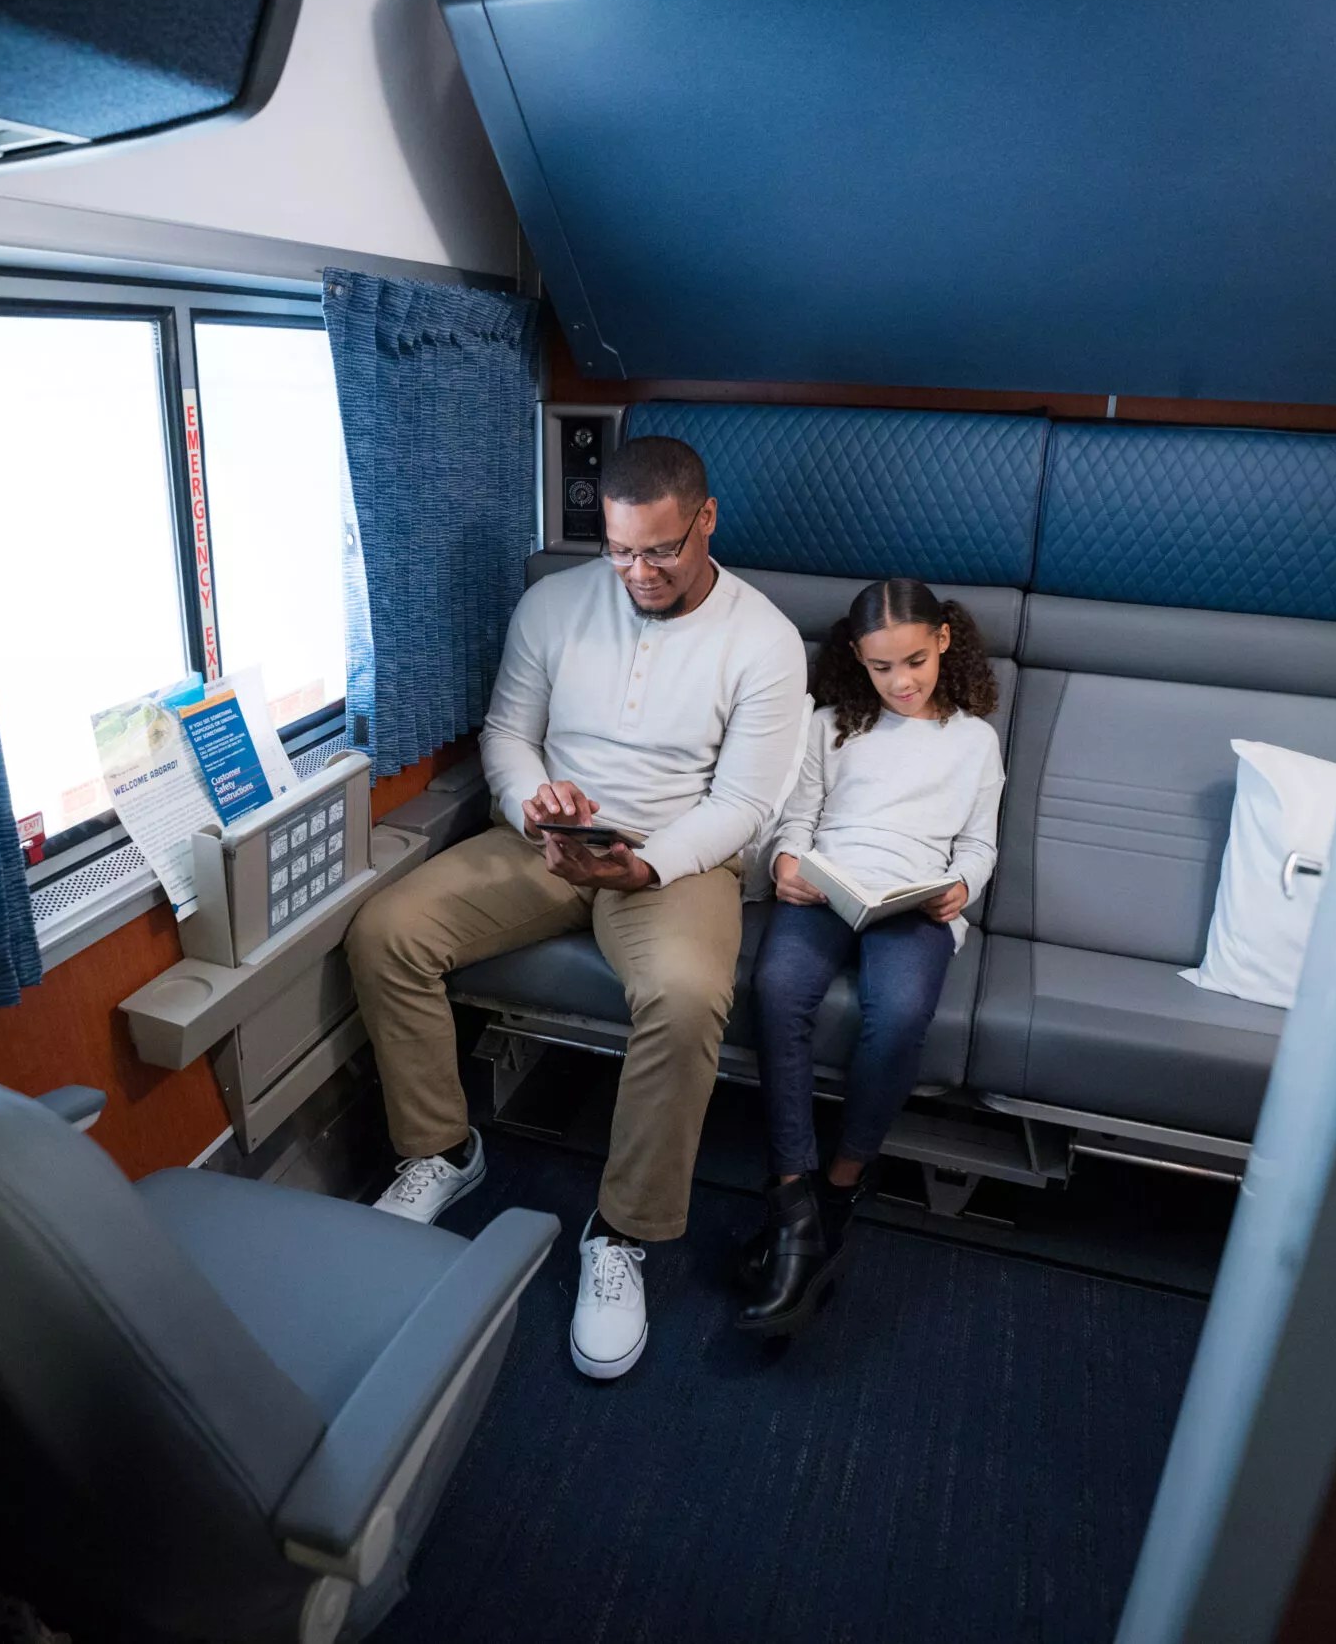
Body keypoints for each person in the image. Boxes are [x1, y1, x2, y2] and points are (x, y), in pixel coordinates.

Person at [345, 435, 808, 1379]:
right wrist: (532, 803)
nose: (637, 572)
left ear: (706, 521)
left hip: (675, 862)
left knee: (683, 999)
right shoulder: (552, 604)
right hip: (549, 842)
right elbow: (509, 733)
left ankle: (623, 1232)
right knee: (385, 931)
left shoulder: (765, 639)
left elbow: (747, 805)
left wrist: (648, 867)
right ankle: (441, 1148)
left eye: (661, 551)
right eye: (620, 549)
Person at [736, 579, 1004, 1335]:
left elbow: (978, 843)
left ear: (944, 641)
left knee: (903, 1009)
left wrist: (960, 886)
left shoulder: (974, 740)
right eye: (883, 667)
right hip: (832, 882)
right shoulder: (831, 725)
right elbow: (801, 817)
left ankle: (840, 1185)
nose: (903, 681)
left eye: (915, 661)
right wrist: (790, 862)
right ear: (857, 658)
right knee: (780, 985)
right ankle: (793, 1196)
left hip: (914, 897)